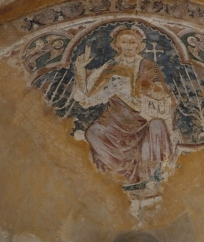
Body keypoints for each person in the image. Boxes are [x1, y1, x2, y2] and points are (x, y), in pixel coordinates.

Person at [72, 25, 180, 186]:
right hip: (114, 121)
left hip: (142, 121)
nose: (128, 46)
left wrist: (150, 97)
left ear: (140, 46)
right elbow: (87, 99)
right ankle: (121, 173)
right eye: (124, 42)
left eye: (132, 42)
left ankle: (150, 174)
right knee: (93, 132)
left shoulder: (149, 67)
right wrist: (80, 70)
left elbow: (165, 99)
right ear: (116, 45)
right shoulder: (110, 67)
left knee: (157, 125)